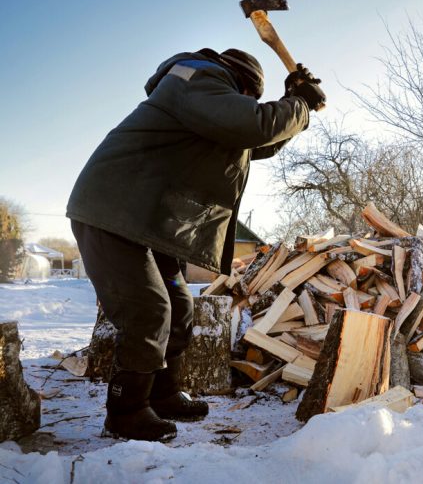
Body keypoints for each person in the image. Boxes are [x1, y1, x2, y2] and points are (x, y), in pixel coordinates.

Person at [67, 48, 325, 441]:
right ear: (240, 84)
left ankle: (164, 395)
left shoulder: (201, 100)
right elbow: (251, 126)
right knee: (148, 310)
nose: (247, 106)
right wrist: (297, 104)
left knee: (179, 306)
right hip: (111, 211)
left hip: (143, 220)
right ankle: (126, 413)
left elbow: (258, 142)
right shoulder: (196, 77)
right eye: (248, 100)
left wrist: (296, 103)